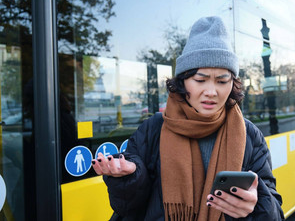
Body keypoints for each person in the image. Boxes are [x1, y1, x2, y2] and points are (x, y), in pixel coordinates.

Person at [92, 16, 284, 221]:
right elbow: (129, 208)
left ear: (232, 84)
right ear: (183, 81)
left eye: (221, 81)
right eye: (200, 80)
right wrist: (129, 178)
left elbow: (274, 212)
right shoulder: (152, 130)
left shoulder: (250, 135)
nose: (211, 91)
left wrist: (256, 203)